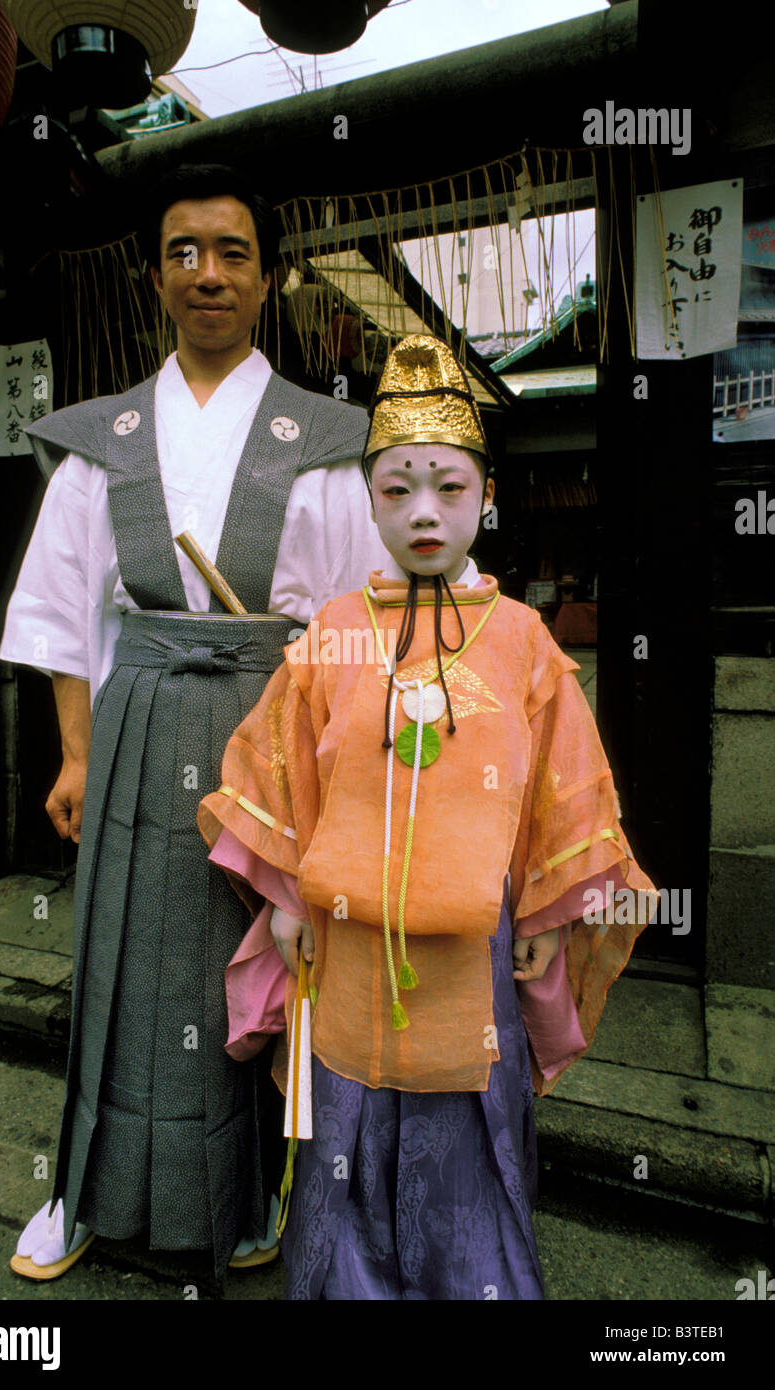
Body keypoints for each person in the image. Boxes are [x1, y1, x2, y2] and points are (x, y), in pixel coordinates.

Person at [198, 333, 657, 1300]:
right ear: (367, 499)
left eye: (449, 487)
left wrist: (542, 918)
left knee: (465, 1138)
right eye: (398, 487)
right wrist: (283, 897)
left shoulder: (523, 639)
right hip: (344, 942)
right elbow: (285, 774)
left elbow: (559, 790)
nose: (423, 512)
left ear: (487, 497)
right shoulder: (330, 631)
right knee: (348, 1131)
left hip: (471, 955)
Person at [0, 162, 389, 1281]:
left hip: (274, 735)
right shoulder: (103, 439)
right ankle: (83, 1190)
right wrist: (74, 752)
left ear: (267, 276)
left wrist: (341, 775)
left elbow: (359, 626)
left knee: (263, 963)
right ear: (156, 276)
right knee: (119, 957)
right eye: (182, 252)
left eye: (229, 251)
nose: (205, 273)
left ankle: (253, 1186)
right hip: (135, 727)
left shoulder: (324, 437)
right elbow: (64, 610)